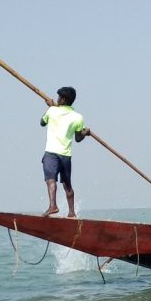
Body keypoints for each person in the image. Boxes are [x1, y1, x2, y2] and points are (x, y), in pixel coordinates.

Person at [40, 86, 90, 217]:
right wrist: (85, 133)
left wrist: (50, 107)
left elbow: (42, 122)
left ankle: (53, 206)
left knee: (51, 180)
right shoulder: (78, 117)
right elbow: (78, 138)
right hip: (66, 156)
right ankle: (72, 213)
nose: (56, 99)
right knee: (67, 185)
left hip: (51, 153)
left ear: (62, 99)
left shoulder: (52, 111)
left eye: (58, 97)